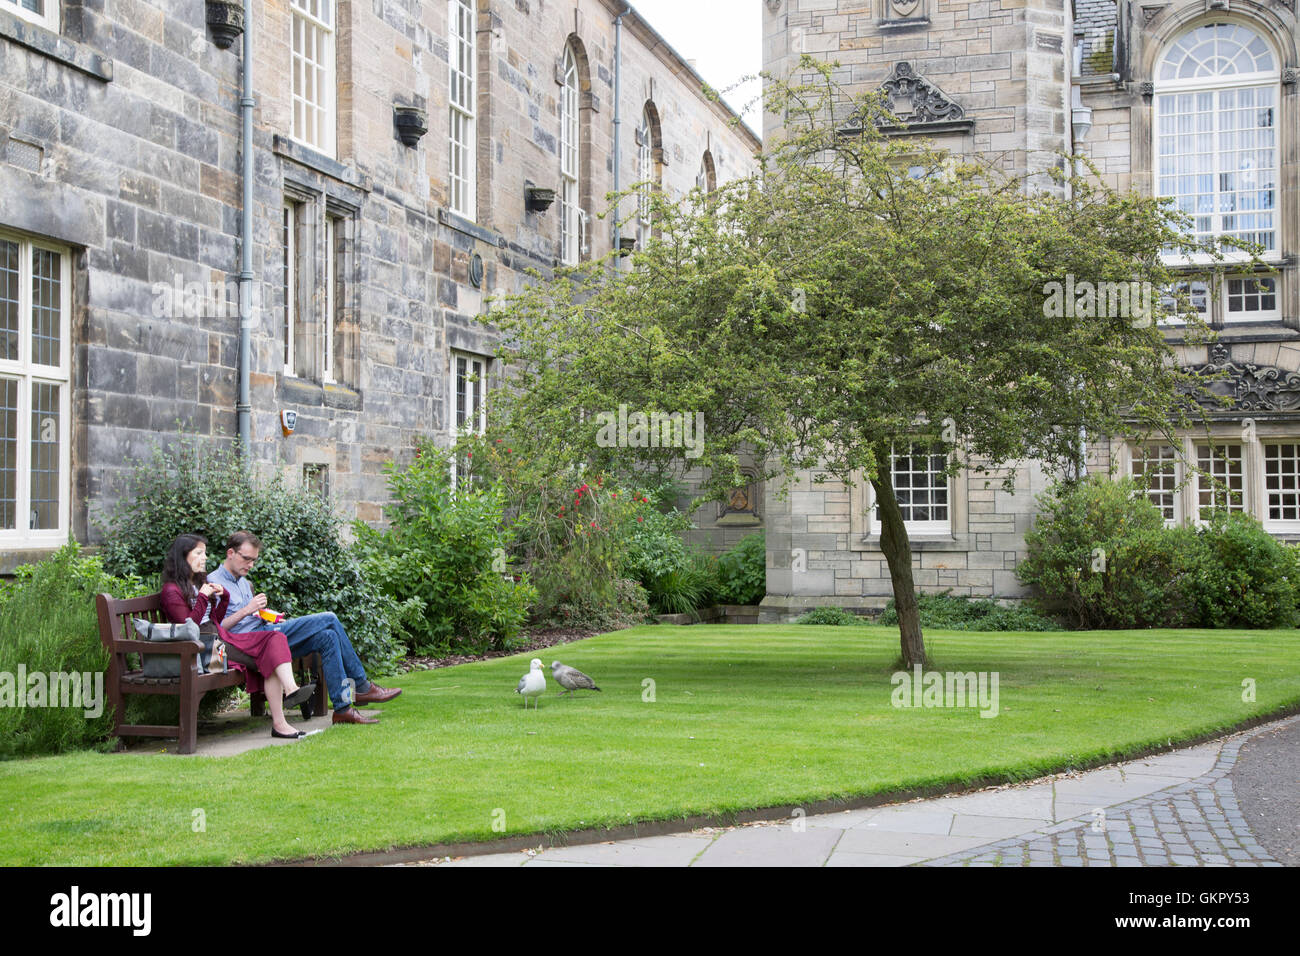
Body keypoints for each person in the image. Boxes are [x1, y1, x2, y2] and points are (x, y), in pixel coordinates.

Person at [208, 531, 401, 726]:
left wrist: (265, 616)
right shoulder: (213, 582)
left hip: (267, 634)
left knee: (328, 637)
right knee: (330, 618)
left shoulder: (242, 582)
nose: (250, 565)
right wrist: (247, 610)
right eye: (246, 558)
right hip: (249, 643)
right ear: (230, 553)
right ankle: (361, 685)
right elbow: (216, 628)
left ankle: (343, 709)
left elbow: (248, 617)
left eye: (254, 560)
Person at [160, 534, 315, 740]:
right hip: (205, 650)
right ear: (182, 557)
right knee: (270, 653)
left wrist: (223, 596)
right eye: (199, 553)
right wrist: (204, 598)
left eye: (205, 553)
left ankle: (291, 691)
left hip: (218, 638)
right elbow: (190, 629)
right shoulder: (172, 591)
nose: (204, 558)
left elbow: (216, 618)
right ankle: (281, 720)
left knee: (275, 640)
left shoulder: (196, 583)